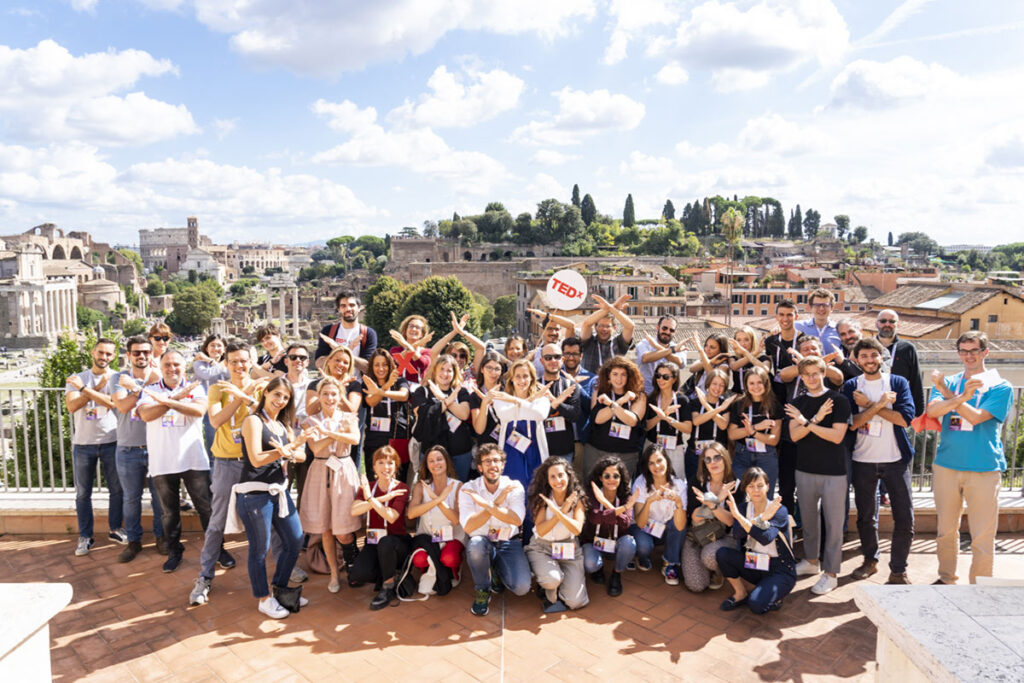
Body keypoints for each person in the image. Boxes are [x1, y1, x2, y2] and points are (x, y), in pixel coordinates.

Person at [926, 331, 1013, 584]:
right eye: (963, 351)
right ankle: (946, 578)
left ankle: (981, 584)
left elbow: (976, 418)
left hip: (984, 467)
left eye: (974, 350)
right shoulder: (950, 381)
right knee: (945, 531)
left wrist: (952, 397)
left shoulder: (1001, 386)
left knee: (983, 535)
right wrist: (958, 396)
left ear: (985, 352)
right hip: (947, 466)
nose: (968, 356)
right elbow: (933, 410)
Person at [189, 341, 267, 606]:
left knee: (271, 517)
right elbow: (215, 420)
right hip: (226, 463)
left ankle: (285, 569)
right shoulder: (217, 389)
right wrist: (236, 397)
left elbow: (270, 415)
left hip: (256, 462)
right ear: (226, 363)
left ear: (250, 361)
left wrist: (247, 396)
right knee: (217, 522)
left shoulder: (261, 386)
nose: (239, 365)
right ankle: (204, 577)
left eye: (243, 360)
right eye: (233, 361)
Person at [234, 376, 312, 619]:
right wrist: (285, 452)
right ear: (265, 393)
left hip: (279, 492)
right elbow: (256, 459)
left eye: (286, 397)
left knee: (295, 540)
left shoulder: (283, 425)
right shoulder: (253, 421)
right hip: (255, 494)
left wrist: (294, 448)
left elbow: (300, 456)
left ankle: (279, 588)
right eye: (277, 394)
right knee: (260, 549)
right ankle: (263, 599)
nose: (280, 400)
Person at [842, 338, 916, 585]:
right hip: (863, 460)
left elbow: (904, 419)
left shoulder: (897, 382)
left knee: (904, 518)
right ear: (856, 359)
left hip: (895, 461)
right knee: (865, 517)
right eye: (864, 356)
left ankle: (898, 570)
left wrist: (871, 406)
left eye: (874, 355)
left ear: (881, 356)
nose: (870, 360)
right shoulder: (851, 386)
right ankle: (870, 561)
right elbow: (852, 423)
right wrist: (881, 406)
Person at [136, 350, 211, 573]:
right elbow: (146, 415)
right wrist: (177, 399)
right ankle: (174, 552)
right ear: (160, 367)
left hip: (193, 459)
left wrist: (165, 402)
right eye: (167, 364)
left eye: (176, 364)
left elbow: (198, 411)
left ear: (184, 366)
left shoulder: (195, 387)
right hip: (162, 461)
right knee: (168, 512)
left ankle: (217, 549)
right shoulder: (149, 390)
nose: (172, 368)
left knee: (207, 508)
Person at [784, 356, 851, 595]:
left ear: (823, 373)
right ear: (801, 377)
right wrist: (815, 419)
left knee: (833, 524)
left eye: (816, 373)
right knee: (810, 521)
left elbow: (836, 437)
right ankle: (812, 562)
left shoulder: (839, 400)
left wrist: (807, 424)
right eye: (807, 374)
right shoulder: (797, 402)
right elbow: (794, 436)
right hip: (805, 469)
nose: (811, 378)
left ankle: (831, 573)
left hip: (834, 472)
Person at [65, 337, 125, 556]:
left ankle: (115, 529)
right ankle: (85, 536)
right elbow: (72, 406)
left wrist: (87, 391)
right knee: (83, 494)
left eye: (109, 354)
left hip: (111, 441)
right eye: (101, 353)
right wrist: (96, 388)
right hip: (83, 444)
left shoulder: (117, 377)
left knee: (117, 490)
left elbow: (113, 403)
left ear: (113, 356)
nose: (104, 358)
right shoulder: (77, 378)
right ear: (93, 353)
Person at [300, 378, 362, 593]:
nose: (330, 398)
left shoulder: (349, 417)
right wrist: (334, 433)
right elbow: (316, 449)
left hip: (343, 471)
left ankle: (352, 563)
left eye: (334, 394)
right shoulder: (310, 420)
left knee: (344, 528)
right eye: (325, 393)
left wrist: (327, 432)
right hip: (319, 471)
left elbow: (354, 439)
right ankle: (334, 574)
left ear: (339, 396)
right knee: (326, 528)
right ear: (319, 395)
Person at [459, 444, 532, 616]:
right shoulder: (468, 489)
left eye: (496, 460)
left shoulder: (514, 486)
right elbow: (469, 526)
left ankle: (496, 570)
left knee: (522, 587)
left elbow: (516, 519)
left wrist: (487, 505)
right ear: (479, 467)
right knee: (475, 545)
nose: (493, 465)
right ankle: (483, 589)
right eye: (487, 461)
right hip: (482, 541)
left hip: (508, 541)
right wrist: (497, 504)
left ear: (503, 465)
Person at [111, 336, 164, 562]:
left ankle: (161, 538)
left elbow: (165, 402)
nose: (141, 356)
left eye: (145, 352)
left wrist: (136, 388)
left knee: (159, 497)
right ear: (129, 355)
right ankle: (134, 541)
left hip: (157, 447)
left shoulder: (159, 377)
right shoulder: (118, 378)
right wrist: (141, 387)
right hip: (128, 448)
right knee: (131, 499)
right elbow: (123, 406)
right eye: (136, 353)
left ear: (151, 354)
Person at [716, 468, 796, 613]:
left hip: (780, 569)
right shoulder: (743, 508)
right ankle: (741, 593)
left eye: (760, 485)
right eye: (751, 486)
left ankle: (774, 594)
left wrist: (744, 518)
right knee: (723, 554)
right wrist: (761, 518)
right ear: (745, 489)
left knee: (756, 606)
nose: (756, 490)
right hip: (755, 562)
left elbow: (765, 538)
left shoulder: (778, 510)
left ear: (768, 486)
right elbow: (738, 534)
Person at [525, 458, 589, 612]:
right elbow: (541, 530)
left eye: (561, 475)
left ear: (568, 476)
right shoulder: (543, 498)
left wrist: (561, 511)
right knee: (552, 579)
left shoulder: (577, 498)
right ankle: (548, 585)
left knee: (576, 602)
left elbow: (576, 529)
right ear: (547, 480)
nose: (557, 480)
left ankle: (561, 582)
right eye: (552, 477)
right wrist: (560, 512)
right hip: (542, 547)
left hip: (568, 548)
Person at [407, 446, 466, 596]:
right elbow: (411, 514)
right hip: (428, 536)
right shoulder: (421, 486)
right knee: (419, 559)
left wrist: (438, 501)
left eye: (439, 459)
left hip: (453, 536)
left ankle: (454, 570)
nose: (436, 463)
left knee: (449, 558)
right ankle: (428, 570)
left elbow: (456, 519)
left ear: (446, 462)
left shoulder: (457, 486)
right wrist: (437, 499)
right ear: (426, 465)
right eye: (431, 461)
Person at [681, 442, 737, 593]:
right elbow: (695, 517)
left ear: (725, 458)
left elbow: (731, 521)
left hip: (724, 536)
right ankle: (703, 568)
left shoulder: (735, 484)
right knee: (696, 586)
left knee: (710, 557)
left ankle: (719, 571)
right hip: (697, 536)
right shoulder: (696, 481)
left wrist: (710, 505)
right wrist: (719, 500)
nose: (713, 463)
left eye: (717, 458)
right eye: (708, 459)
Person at [492, 359, 553, 497]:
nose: (522, 380)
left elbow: (539, 414)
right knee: (512, 488)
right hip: (510, 450)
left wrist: (515, 401)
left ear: (532, 378)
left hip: (535, 449)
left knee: (535, 486)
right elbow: (505, 414)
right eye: (518, 376)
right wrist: (528, 405)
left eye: (525, 376)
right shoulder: (500, 398)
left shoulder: (542, 399)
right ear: (512, 378)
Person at [410, 354, 474, 480]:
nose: (445, 374)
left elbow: (464, 414)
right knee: (430, 490)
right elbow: (423, 413)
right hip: (432, 453)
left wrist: (442, 398)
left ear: (454, 373)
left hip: (460, 452)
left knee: (458, 491)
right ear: (435, 371)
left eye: (449, 370)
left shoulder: (461, 391)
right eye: (442, 369)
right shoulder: (423, 392)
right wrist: (447, 402)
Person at [629, 444, 687, 584]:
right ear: (647, 466)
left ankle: (670, 562)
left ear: (667, 460)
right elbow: (640, 523)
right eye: (651, 463)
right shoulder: (640, 483)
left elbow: (680, 526)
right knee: (644, 547)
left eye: (659, 460)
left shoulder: (679, 484)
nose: (657, 466)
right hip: (643, 528)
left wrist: (678, 503)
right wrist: (649, 501)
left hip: (665, 528)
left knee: (680, 521)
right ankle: (642, 556)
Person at [764, 300, 800, 519]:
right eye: (781, 314)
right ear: (776, 316)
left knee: (790, 471)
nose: (785, 319)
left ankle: (792, 520)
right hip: (774, 407)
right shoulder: (770, 341)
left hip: (795, 407)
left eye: (790, 314)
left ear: (796, 316)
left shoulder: (803, 341)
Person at [582, 456, 637, 597]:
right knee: (590, 564)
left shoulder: (626, 495)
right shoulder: (591, 494)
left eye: (615, 476)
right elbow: (594, 518)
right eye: (607, 476)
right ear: (600, 478)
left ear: (621, 477)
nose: (611, 479)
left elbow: (625, 523)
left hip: (617, 542)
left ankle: (616, 574)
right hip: (592, 542)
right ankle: (598, 570)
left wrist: (606, 506)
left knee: (630, 543)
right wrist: (619, 508)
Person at [584, 356, 646, 476]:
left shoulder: (639, 395)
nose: (619, 379)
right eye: (615, 374)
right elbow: (598, 418)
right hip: (597, 452)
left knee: (622, 491)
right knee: (592, 490)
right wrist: (621, 401)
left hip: (626, 455)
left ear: (629, 376)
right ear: (608, 375)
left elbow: (632, 421)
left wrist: (611, 404)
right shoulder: (599, 392)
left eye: (623, 374)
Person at [727, 366, 783, 497]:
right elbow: (732, 434)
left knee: (765, 497)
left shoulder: (774, 405)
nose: (756, 387)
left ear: (766, 384)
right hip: (742, 454)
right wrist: (758, 427)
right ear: (746, 385)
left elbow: (774, 440)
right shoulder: (739, 404)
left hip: (767, 455)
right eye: (751, 383)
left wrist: (752, 432)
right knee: (739, 496)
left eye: (759, 382)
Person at [685, 367, 734, 513]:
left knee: (713, 489)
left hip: (716, 458)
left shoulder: (726, 404)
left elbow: (723, 424)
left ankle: (714, 521)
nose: (717, 388)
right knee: (695, 490)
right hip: (695, 455)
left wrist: (710, 406)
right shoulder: (694, 402)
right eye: (714, 384)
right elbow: (697, 421)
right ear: (707, 384)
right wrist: (715, 408)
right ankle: (695, 522)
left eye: (721, 385)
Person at [361, 349, 412, 482]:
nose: (381, 368)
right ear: (372, 367)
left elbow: (404, 395)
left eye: (384, 364)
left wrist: (381, 390)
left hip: (397, 438)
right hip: (374, 439)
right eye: (377, 365)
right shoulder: (367, 382)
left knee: (398, 481)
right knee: (375, 481)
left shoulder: (400, 381)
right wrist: (385, 387)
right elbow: (371, 401)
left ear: (390, 365)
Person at [644, 361, 692, 477]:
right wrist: (660, 416)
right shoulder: (651, 398)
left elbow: (688, 428)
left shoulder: (682, 400)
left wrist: (668, 419)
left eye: (665, 377)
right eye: (658, 376)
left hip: (675, 447)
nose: (661, 379)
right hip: (652, 445)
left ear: (674, 379)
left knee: (675, 482)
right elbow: (646, 426)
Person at [537, 343, 582, 463]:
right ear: (542, 361)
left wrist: (554, 401)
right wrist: (558, 402)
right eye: (548, 357)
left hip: (564, 452)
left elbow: (574, 415)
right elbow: (536, 416)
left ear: (562, 360)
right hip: (539, 450)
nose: (553, 360)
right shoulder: (534, 387)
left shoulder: (571, 386)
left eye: (557, 357)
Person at [314, 290, 377, 376]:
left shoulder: (368, 334)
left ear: (359, 308)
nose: (348, 309)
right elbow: (319, 363)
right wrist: (346, 351)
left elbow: (368, 368)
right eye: (343, 306)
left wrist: (337, 348)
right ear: (339, 309)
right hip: (333, 385)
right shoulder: (328, 331)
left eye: (352, 305)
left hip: (358, 385)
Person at [875, 309, 925, 417]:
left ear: (898, 325)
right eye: (883, 321)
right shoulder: (867, 346)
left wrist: (918, 412)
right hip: (871, 404)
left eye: (892, 321)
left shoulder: (908, 348)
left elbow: (915, 380)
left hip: (899, 408)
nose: (887, 324)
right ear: (876, 324)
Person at [580, 294, 634, 374]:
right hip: (590, 384)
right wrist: (610, 308)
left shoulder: (618, 343)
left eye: (607, 326)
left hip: (613, 384)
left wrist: (611, 308)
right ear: (595, 327)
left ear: (614, 328)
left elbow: (630, 326)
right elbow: (586, 324)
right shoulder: (589, 342)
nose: (604, 329)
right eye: (601, 326)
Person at [635, 316, 685, 393]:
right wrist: (672, 350)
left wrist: (657, 347)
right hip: (646, 392)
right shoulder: (644, 343)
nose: (668, 332)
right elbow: (645, 358)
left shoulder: (678, 347)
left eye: (671, 330)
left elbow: (679, 363)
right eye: (664, 328)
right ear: (657, 327)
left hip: (668, 394)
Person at [470, 352, 506, 449]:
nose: (493, 372)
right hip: (486, 449)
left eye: (497, 369)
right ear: (482, 369)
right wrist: (485, 403)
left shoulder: (507, 393)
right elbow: (479, 429)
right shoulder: (475, 396)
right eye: (489, 368)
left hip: (507, 445)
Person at [682, 331, 732, 398]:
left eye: (712, 347)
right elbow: (692, 369)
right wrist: (711, 361)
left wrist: (700, 349)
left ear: (721, 350)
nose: (707, 349)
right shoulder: (704, 361)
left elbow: (712, 376)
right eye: (706, 345)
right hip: (696, 398)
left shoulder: (724, 366)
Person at [794, 288, 842, 356]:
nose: (821, 308)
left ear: (832, 308)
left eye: (825, 305)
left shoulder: (840, 329)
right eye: (817, 305)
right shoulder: (797, 327)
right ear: (811, 307)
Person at [389, 314, 432, 384]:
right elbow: (396, 362)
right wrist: (411, 346)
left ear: (422, 334)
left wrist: (407, 345)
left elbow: (422, 364)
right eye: (411, 326)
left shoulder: (427, 352)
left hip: (418, 390)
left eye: (417, 327)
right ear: (405, 330)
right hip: (398, 388)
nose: (413, 329)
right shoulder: (395, 350)